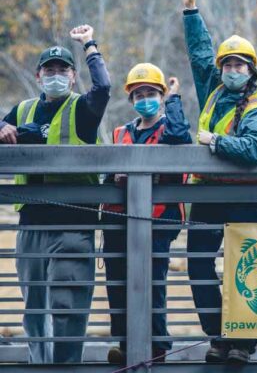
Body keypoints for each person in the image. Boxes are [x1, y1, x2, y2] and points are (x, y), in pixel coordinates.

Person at [0, 26, 111, 363]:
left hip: (73, 224)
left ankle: (65, 367)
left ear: (73, 77)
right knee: (34, 307)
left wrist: (89, 45)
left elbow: (104, 87)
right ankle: (40, 366)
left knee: (66, 306)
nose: (56, 76)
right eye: (50, 71)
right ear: (38, 76)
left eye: (63, 71)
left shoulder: (83, 109)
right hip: (31, 223)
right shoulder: (23, 110)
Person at [181, 0, 257, 364]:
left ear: (250, 70)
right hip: (207, 196)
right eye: (228, 65)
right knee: (198, 263)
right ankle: (218, 333)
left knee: (243, 271)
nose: (232, 70)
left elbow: (255, 148)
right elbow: (200, 53)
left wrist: (216, 142)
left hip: (244, 198)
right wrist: (191, 12)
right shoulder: (214, 92)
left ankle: (243, 342)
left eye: (239, 65)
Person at [102, 63, 192, 364]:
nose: (144, 98)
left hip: (158, 219)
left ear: (161, 96)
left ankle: (156, 346)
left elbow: (182, 137)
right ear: (131, 99)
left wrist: (175, 98)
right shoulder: (120, 133)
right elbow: (106, 175)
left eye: (151, 93)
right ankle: (126, 343)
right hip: (120, 220)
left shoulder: (169, 128)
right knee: (117, 282)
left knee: (153, 282)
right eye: (139, 94)